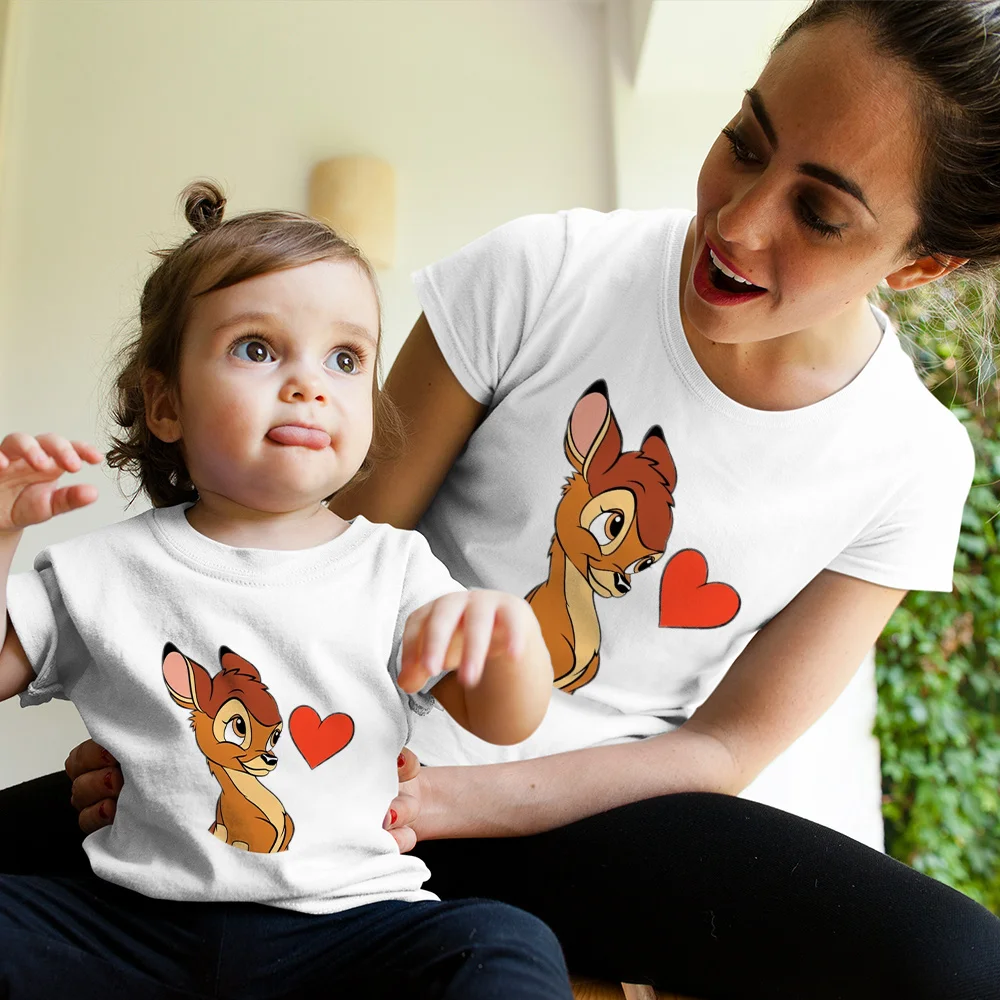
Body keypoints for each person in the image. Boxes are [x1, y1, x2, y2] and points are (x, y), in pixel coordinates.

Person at [43, 0, 1000, 996]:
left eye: (819, 214)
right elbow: (319, 543)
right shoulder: (544, 270)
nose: (738, 220)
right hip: (343, 768)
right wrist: (167, 735)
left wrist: (448, 803)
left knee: (961, 965)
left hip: (594, 828)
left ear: (920, 263)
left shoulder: (912, 462)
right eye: (745, 143)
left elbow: (724, 743)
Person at [0, 182, 574, 1000]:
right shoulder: (100, 569)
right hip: (133, 925)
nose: (310, 384)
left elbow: (503, 719)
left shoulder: (395, 569)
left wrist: (508, 636)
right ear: (164, 403)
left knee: (506, 941)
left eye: (345, 359)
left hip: (347, 928)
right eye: (257, 349)